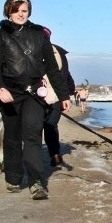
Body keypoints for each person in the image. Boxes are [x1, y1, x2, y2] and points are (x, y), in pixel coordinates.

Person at [0, 0, 71, 199]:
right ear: (9, 11)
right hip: (9, 94)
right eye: (16, 10)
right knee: (13, 137)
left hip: (34, 93)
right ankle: (13, 178)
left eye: (24, 11)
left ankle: (36, 182)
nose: (20, 14)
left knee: (32, 134)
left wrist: (63, 95)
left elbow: (51, 67)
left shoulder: (39, 34)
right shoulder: (1, 35)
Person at [41, 27, 76, 168]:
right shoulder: (59, 52)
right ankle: (55, 153)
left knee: (37, 126)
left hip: (39, 95)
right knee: (51, 125)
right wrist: (67, 95)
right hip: (57, 95)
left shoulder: (32, 51)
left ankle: (38, 154)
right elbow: (66, 75)